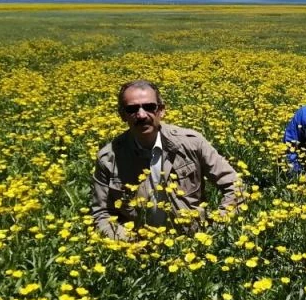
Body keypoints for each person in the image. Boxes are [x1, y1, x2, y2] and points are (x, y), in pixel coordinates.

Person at [91, 79, 241, 240]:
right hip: (136, 249)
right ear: (122, 115)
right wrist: (129, 242)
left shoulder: (192, 143)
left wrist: (216, 226)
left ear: (161, 110)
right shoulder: (109, 158)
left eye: (149, 107)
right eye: (132, 109)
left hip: (193, 242)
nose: (141, 115)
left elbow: (235, 185)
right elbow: (101, 214)